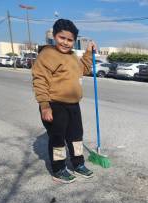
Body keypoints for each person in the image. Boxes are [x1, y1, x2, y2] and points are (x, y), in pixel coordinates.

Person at [32, 19, 96, 184]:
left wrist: (88, 52)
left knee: (76, 136)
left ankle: (78, 164)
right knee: (58, 138)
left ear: (74, 41)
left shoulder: (73, 56)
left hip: (73, 105)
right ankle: (59, 169)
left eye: (69, 40)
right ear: (54, 36)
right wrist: (44, 106)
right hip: (54, 104)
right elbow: (40, 80)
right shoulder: (48, 54)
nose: (65, 43)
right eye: (62, 38)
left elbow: (84, 69)